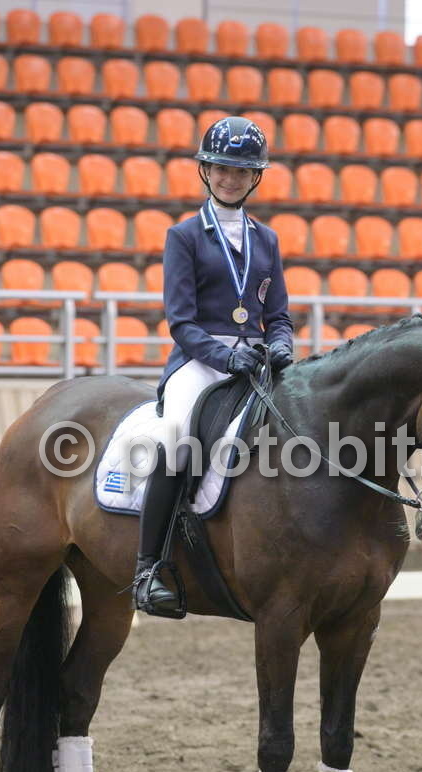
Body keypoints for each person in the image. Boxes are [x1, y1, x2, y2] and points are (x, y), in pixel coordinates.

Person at [132, 116, 293, 617]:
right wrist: (224, 356)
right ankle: (149, 568)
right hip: (200, 361)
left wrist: (281, 345)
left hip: (256, 361)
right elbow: (180, 322)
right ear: (206, 171)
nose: (231, 179)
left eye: (242, 172)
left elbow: (279, 315)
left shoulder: (267, 239)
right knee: (178, 434)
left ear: (255, 177)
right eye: (222, 169)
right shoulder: (184, 236)